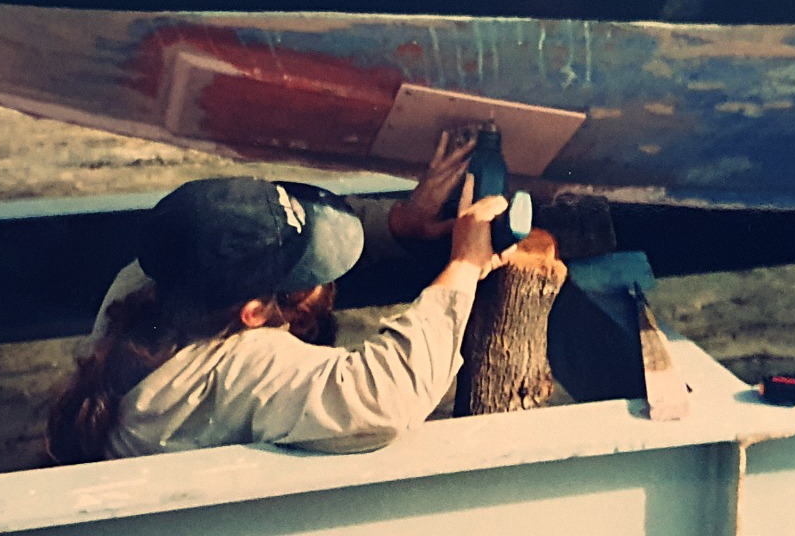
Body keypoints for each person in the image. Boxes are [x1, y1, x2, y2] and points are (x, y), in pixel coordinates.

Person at [46, 130, 512, 464]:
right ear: (252, 312)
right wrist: (464, 266)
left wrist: (399, 222)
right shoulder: (242, 370)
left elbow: (255, 235)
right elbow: (385, 392)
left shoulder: (142, 288)